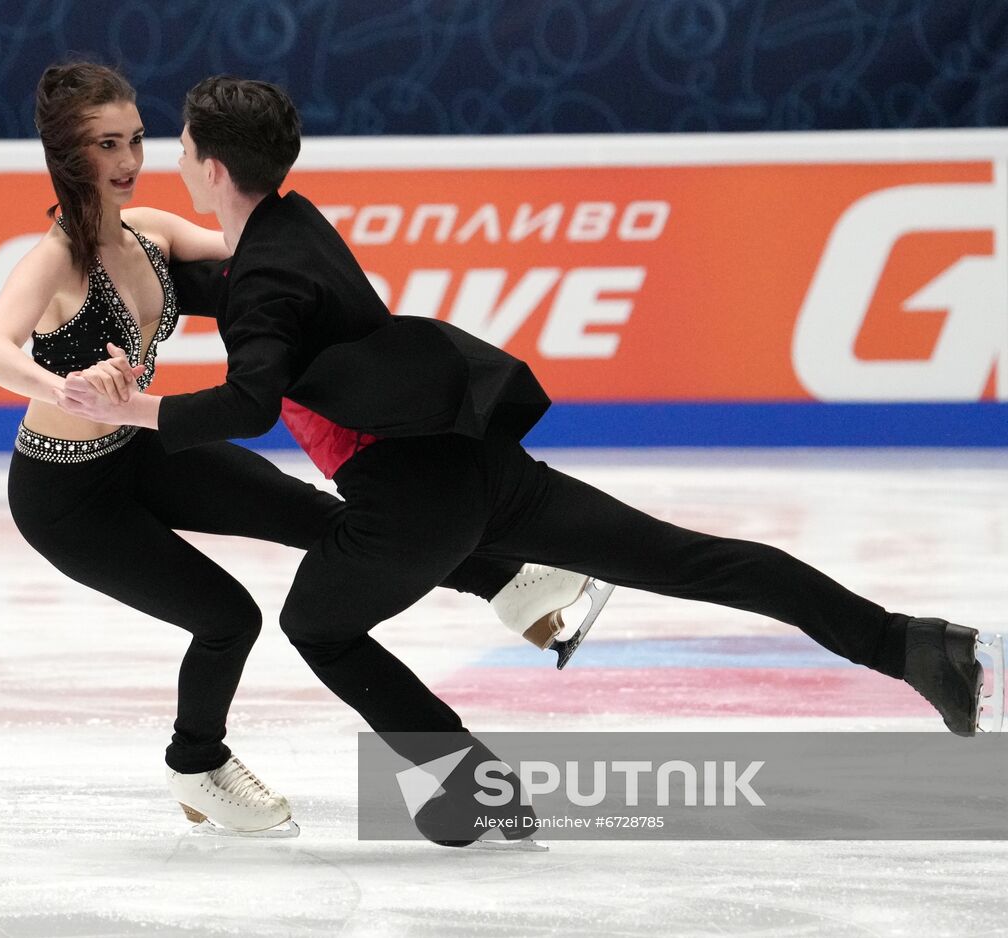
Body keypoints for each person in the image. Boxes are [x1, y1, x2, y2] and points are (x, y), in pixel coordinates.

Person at [56, 75, 1001, 843]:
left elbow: (252, 396)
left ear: (209, 165)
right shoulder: (295, 229)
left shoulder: (264, 273)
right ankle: (911, 646)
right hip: (481, 465)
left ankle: (472, 791)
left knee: (319, 626)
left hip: (408, 499)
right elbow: (246, 295)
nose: (166, 158)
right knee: (686, 558)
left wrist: (135, 408)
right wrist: (114, 251)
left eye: (174, 145)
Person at [0, 61, 604, 837]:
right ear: (70, 153)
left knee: (318, 519)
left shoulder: (153, 233)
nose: (130, 160)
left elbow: (260, 249)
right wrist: (62, 386)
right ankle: (196, 763)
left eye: (136, 138)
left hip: (144, 450)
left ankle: (509, 587)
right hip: (65, 497)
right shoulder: (55, 259)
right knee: (229, 617)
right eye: (108, 144)